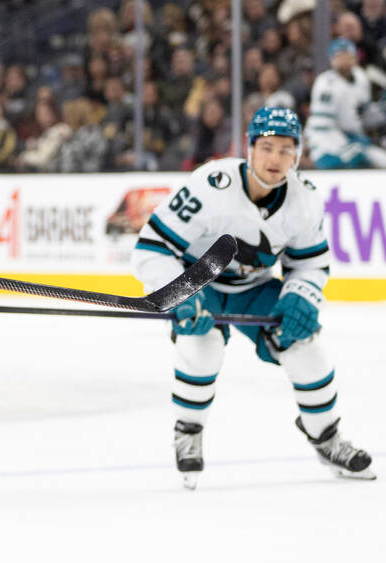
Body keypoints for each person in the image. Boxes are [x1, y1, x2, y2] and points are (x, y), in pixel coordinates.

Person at [134, 106, 374, 490]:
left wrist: (301, 298)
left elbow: (310, 266)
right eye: (266, 147)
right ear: (248, 148)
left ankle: (327, 438)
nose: (275, 158)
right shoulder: (210, 185)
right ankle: (189, 431)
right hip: (199, 283)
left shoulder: (304, 200)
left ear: (297, 154)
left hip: (254, 289)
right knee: (203, 345)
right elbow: (152, 247)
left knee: (306, 350)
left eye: (285, 149)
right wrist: (179, 294)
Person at [304, 37, 386, 168]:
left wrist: (381, 110)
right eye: (340, 56)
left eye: (348, 55)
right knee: (350, 160)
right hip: (325, 140)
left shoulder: (360, 77)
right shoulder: (326, 83)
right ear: (332, 59)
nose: (344, 60)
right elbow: (322, 127)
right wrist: (347, 145)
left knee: (381, 160)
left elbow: (365, 114)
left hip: (353, 137)